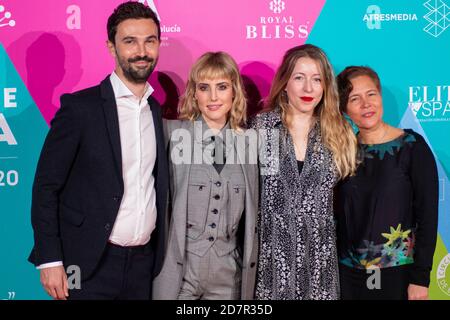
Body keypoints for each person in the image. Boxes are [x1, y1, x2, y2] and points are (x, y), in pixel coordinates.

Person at [28, 1, 168, 300]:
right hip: (88, 262)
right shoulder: (81, 108)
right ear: (111, 47)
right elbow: (46, 186)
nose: (141, 51)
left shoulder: (156, 111)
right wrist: (50, 259)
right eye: (129, 41)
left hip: (143, 265)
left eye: (149, 41)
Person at [250, 44, 358, 300]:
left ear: (325, 86)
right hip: (270, 269)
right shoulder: (261, 128)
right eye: (299, 78)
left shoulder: (340, 133)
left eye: (316, 79)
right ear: (285, 82)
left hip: (320, 269)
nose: (308, 88)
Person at [152, 52, 259, 300]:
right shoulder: (171, 133)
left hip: (228, 277)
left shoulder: (250, 144)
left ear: (234, 92)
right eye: (204, 88)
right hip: (179, 275)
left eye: (221, 87)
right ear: (194, 93)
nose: (213, 97)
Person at [335, 66, 438, 300]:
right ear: (345, 109)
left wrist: (420, 279)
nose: (366, 104)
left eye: (371, 94)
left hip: (396, 273)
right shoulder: (341, 151)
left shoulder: (411, 146)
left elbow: (428, 216)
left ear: (380, 96)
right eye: (355, 99)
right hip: (347, 273)